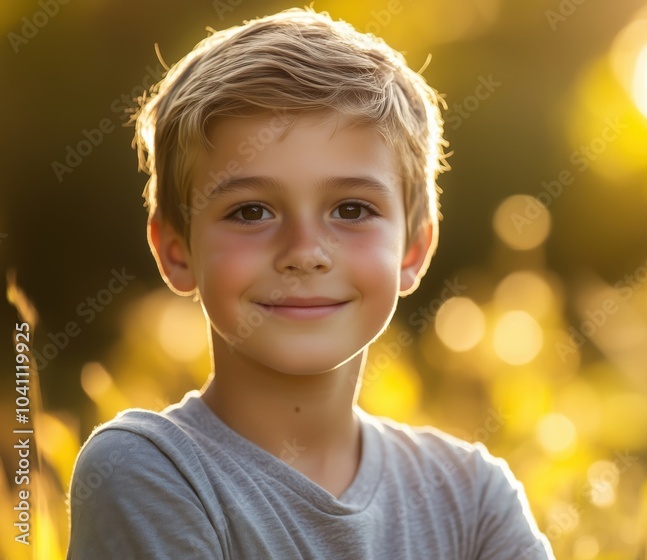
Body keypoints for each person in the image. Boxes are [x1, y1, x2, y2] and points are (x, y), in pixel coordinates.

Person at [66, 7, 554, 559]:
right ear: (176, 252)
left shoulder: (473, 497)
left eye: (351, 208)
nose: (305, 253)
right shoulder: (149, 471)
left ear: (413, 249)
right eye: (251, 212)